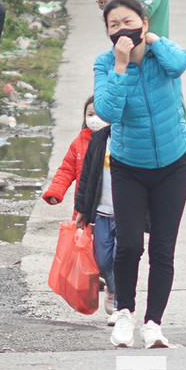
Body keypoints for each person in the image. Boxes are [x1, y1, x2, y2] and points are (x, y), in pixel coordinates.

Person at [93, 0, 186, 349]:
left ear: (143, 23)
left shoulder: (161, 56)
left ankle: (153, 324)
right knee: (130, 244)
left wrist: (153, 41)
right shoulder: (105, 64)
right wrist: (121, 66)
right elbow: (107, 111)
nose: (122, 30)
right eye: (113, 25)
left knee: (162, 249)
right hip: (128, 166)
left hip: (172, 163)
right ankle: (124, 314)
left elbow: (181, 63)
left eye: (129, 22)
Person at [67, 99, 121, 323]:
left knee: (122, 256)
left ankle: (121, 305)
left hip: (125, 213)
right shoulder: (95, 141)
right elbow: (85, 178)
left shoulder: (127, 140)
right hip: (100, 214)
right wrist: (81, 209)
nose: (95, 119)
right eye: (90, 114)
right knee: (103, 260)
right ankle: (110, 286)